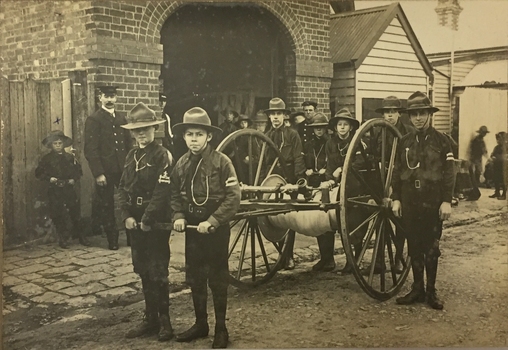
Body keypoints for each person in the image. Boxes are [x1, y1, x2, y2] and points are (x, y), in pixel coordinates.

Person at [170, 107, 241, 349]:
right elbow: (174, 194)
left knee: (218, 279)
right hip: (192, 228)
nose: (193, 140)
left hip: (215, 229)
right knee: (195, 277)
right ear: (184, 137)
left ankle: (221, 329)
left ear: (209, 136)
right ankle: (201, 324)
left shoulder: (222, 163)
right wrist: (179, 215)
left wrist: (212, 221)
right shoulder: (181, 164)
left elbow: (233, 197)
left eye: (198, 134)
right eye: (189, 134)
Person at [391, 91, 455, 310]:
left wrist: (446, 201)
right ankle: (417, 289)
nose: (418, 118)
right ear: (409, 117)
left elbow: (449, 174)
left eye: (422, 113)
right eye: (414, 114)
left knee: (432, 247)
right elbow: (397, 171)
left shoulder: (442, 141)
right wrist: (396, 198)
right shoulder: (405, 142)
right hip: (410, 200)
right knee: (414, 245)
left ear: (429, 115)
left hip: (432, 200)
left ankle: (431, 291)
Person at [118, 103, 174, 341]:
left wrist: (147, 218)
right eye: (136, 130)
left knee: (158, 270)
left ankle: (165, 323)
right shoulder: (131, 155)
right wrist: (126, 216)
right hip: (136, 220)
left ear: (154, 129)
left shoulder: (162, 155)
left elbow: (163, 192)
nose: (141, 134)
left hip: (155, 220)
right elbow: (122, 188)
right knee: (142, 269)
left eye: (146, 129)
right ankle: (149, 319)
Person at [84, 85, 132, 250]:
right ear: (100, 98)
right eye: (106, 96)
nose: (110, 100)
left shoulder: (121, 118)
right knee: (107, 205)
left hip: (123, 169)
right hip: (105, 171)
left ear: (116, 98)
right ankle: (112, 239)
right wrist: (98, 173)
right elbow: (90, 149)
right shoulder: (94, 119)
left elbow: (128, 144)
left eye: (112, 97)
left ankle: (132, 236)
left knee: (129, 199)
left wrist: (129, 166)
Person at [373, 96, 414, 273]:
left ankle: (398, 259)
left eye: (392, 112)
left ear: (399, 113)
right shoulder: (377, 132)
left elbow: (411, 160)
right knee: (379, 220)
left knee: (400, 222)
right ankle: (380, 261)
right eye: (386, 112)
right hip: (381, 181)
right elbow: (373, 155)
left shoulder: (408, 132)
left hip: (402, 180)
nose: (389, 116)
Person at [265, 97, 306, 270]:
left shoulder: (292, 134)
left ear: (284, 116)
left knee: (288, 217)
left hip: (289, 176)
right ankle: (282, 254)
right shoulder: (266, 136)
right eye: (273, 114)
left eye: (278, 114)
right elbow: (263, 161)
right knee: (275, 216)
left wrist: (297, 180)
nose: (275, 117)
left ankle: (288, 256)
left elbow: (298, 157)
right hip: (273, 177)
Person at [319, 108, 362, 274]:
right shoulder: (330, 143)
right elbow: (329, 165)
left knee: (353, 224)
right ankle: (339, 258)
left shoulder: (356, 141)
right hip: (338, 186)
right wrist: (330, 179)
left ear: (351, 127)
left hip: (355, 186)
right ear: (335, 127)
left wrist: (343, 170)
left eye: (345, 125)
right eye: (339, 125)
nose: (342, 128)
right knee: (336, 219)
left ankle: (354, 260)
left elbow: (359, 164)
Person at [35, 130, 90, 248]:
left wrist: (73, 179)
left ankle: (81, 237)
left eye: (60, 143)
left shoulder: (70, 157)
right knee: (58, 214)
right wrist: (50, 179)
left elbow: (78, 171)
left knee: (75, 213)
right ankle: (63, 238)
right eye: (55, 143)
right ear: (51, 145)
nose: (58, 145)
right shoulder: (47, 159)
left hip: (68, 189)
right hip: (55, 190)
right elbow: (39, 173)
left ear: (64, 144)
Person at [303, 113, 335, 271]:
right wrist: (307, 170)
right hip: (313, 183)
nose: (319, 131)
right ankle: (325, 258)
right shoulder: (309, 145)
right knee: (317, 219)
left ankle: (330, 259)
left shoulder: (330, 142)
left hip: (327, 182)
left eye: (321, 128)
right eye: (316, 128)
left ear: (326, 129)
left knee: (325, 218)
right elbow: (304, 161)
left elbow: (333, 160)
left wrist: (325, 171)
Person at [489, 131, 507, 200]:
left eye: (499, 139)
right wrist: (493, 157)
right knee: (496, 178)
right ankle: (497, 192)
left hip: (504, 166)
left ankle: (504, 194)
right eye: (497, 139)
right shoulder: (496, 147)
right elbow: (492, 154)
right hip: (497, 165)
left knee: (503, 180)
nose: (498, 141)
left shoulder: (506, 147)